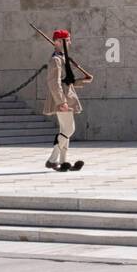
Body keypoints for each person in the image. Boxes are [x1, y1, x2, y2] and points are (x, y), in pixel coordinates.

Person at [43, 29, 88, 172]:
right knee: (69, 129)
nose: (70, 42)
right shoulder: (56, 60)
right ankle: (52, 160)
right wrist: (61, 102)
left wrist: (83, 81)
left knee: (64, 130)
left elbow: (67, 81)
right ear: (58, 42)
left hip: (66, 97)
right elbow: (53, 82)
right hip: (62, 99)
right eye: (67, 40)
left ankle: (63, 161)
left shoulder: (62, 58)